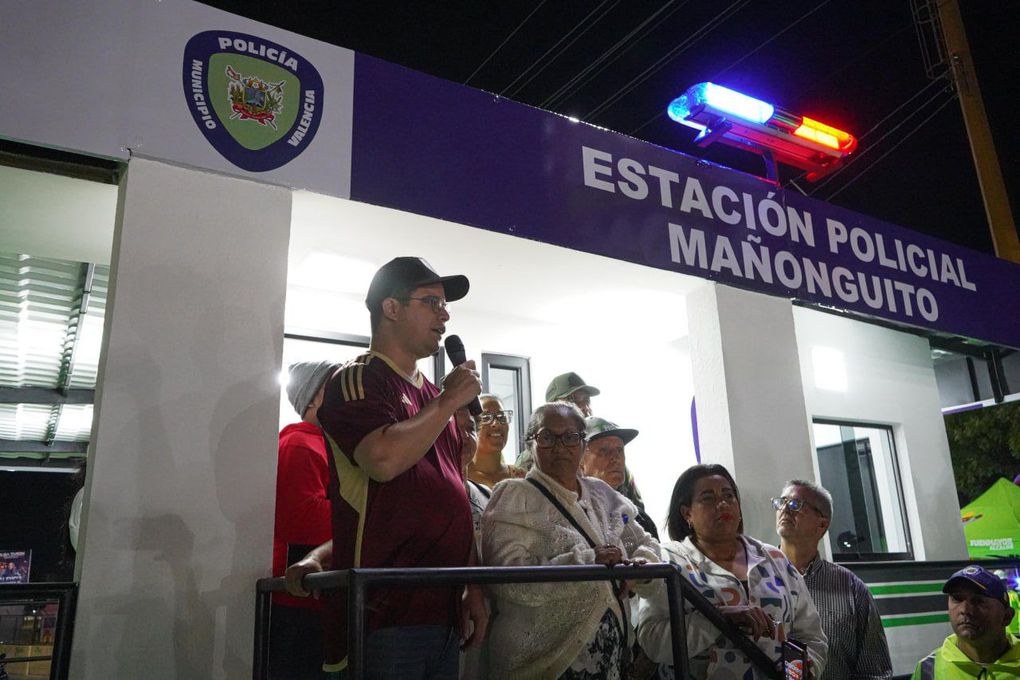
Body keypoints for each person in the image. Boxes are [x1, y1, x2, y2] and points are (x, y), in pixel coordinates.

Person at [314, 256, 487, 678]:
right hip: (386, 611)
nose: (444, 316)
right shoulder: (359, 379)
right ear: (390, 308)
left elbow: (453, 491)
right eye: (432, 302)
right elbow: (383, 460)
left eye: (446, 305)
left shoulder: (433, 393)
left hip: (443, 605)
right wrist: (447, 402)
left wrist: (474, 583)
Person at [481, 402, 661, 679]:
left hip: (612, 662)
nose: (560, 447)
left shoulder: (602, 494)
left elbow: (645, 542)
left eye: (571, 437)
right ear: (531, 444)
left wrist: (638, 567)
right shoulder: (514, 496)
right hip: (544, 663)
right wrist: (589, 562)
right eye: (546, 437)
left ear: (582, 443)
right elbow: (508, 581)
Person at [635, 463, 827, 679]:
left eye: (729, 496)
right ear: (687, 512)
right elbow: (653, 642)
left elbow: (811, 636)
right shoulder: (669, 562)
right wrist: (717, 619)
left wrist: (800, 672)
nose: (722, 504)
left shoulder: (774, 560)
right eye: (708, 498)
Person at [775, 479, 892, 679]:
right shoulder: (757, 577)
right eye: (781, 502)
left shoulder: (851, 589)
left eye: (795, 504)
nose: (784, 509)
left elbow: (875, 672)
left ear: (822, 524)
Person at [271, 360, 340, 679]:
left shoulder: (327, 446)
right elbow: (300, 516)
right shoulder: (299, 443)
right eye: (336, 384)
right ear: (312, 398)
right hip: (298, 600)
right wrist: (369, 514)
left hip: (315, 597)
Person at [911, 565, 1019, 679]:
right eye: (957, 599)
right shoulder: (928, 670)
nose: (965, 610)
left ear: (1007, 616)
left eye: (978, 601)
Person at [582, 416, 659, 540]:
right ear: (580, 460)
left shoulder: (638, 518)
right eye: (604, 450)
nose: (616, 458)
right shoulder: (574, 514)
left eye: (619, 450)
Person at [466, 394, 523, 490]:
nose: (496, 424)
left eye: (501, 417)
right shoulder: (462, 477)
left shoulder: (521, 477)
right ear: (473, 426)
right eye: (486, 417)